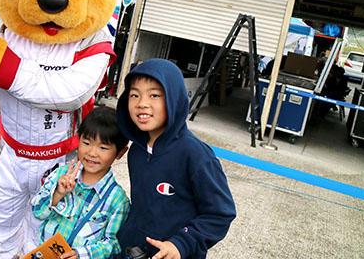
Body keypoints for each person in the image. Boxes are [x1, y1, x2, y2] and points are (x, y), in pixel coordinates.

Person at [116, 59, 236, 259]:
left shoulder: (195, 154)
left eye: (154, 95)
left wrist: (181, 244)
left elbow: (220, 214)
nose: (142, 103)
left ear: (174, 99)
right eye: (134, 95)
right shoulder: (137, 151)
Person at [31, 106, 130, 259]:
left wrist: (82, 254)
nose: (92, 153)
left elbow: (112, 244)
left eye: (103, 147)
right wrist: (57, 194)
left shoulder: (117, 200)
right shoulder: (62, 174)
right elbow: (37, 211)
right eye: (86, 143)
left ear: (120, 153)